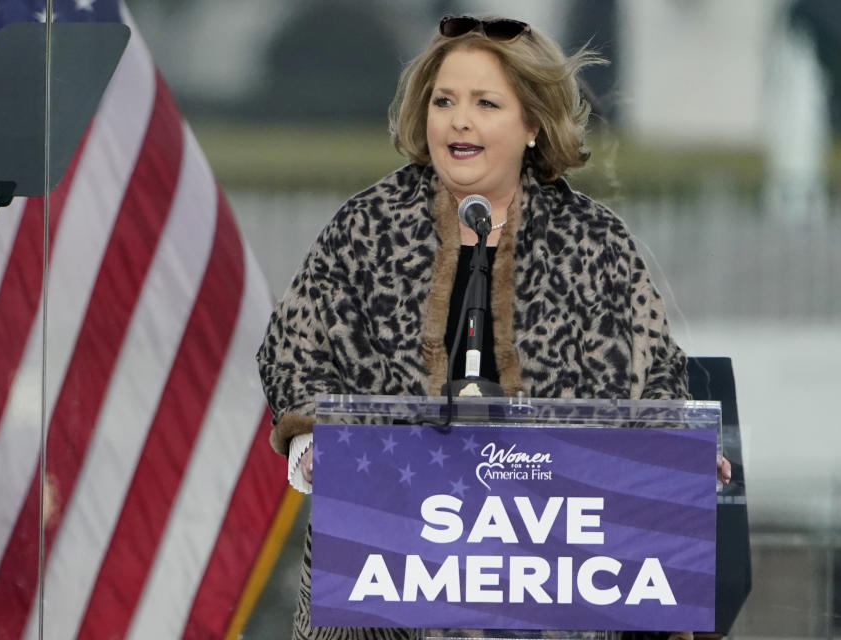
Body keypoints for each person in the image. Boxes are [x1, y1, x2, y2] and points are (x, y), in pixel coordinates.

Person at [257, 15, 726, 640]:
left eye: (485, 103)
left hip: (554, 575)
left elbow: (655, 371)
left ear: (533, 122)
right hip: (391, 574)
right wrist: (312, 442)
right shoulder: (365, 226)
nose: (458, 120)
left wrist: (680, 456)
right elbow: (294, 347)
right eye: (444, 100)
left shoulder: (595, 240)